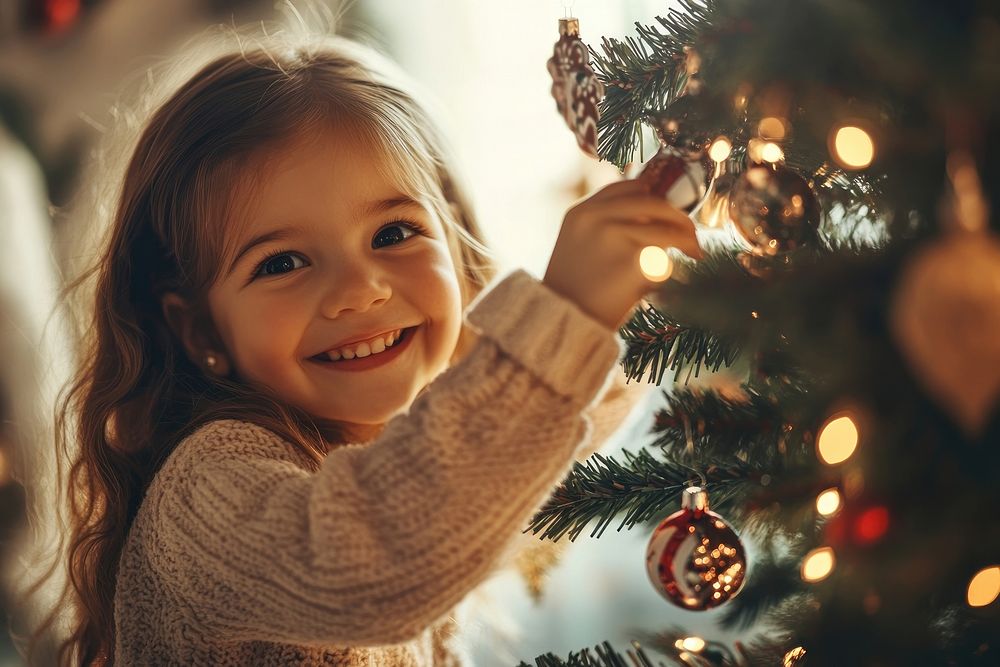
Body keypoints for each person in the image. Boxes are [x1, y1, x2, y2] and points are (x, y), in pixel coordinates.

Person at [20, 28, 703, 667]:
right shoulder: (201, 492)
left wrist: (632, 294)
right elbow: (374, 557)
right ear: (200, 331)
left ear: (457, 250)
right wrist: (565, 314)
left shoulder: (415, 449)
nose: (358, 292)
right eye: (282, 262)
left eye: (393, 234)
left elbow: (509, 453)